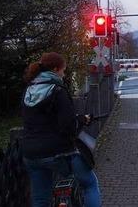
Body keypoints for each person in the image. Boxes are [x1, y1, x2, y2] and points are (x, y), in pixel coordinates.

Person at [20, 52, 101, 207]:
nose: (64, 75)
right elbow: (68, 126)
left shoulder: (28, 91)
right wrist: (82, 120)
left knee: (40, 199)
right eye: (63, 71)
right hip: (59, 152)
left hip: (31, 154)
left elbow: (37, 119)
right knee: (89, 184)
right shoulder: (58, 91)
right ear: (56, 69)